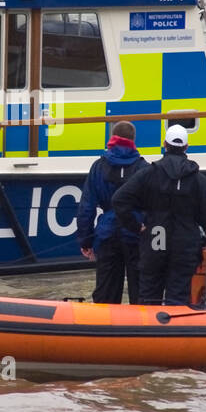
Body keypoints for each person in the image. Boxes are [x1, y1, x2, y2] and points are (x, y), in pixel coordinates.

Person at [113, 124, 206, 306]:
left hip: (155, 240)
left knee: (148, 295)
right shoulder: (199, 180)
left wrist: (135, 225)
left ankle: (146, 331)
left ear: (164, 144)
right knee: (178, 298)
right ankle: (174, 332)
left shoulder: (148, 174)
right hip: (184, 245)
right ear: (186, 147)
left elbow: (119, 199)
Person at [76, 121, 148, 304]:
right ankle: (143, 329)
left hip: (107, 235)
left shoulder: (98, 167)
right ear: (134, 140)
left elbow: (86, 207)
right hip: (136, 233)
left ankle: (104, 329)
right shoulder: (144, 168)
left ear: (111, 139)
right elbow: (153, 206)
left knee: (105, 293)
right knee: (141, 292)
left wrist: (86, 240)